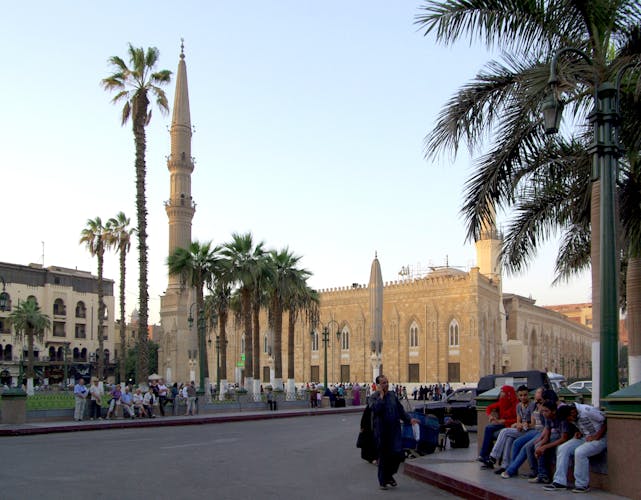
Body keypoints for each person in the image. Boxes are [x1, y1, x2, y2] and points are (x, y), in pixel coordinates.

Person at [369, 375, 419, 490]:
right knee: (384, 457)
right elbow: (376, 409)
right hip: (382, 432)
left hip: (394, 431)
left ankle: (389, 476)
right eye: (383, 383)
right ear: (378, 385)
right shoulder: (373, 398)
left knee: (398, 455)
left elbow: (400, 410)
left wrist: (409, 419)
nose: (386, 385)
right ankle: (383, 481)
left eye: (387, 382)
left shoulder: (392, 395)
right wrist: (381, 396)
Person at [544, 403, 607, 493]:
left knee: (580, 452)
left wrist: (597, 436)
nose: (569, 421)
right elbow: (580, 425)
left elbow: (605, 421)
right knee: (562, 448)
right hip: (585, 437)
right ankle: (559, 482)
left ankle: (582, 485)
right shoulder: (571, 415)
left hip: (600, 438)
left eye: (569, 419)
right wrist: (578, 432)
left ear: (572, 412)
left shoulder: (587, 410)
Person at [487, 385, 535, 474]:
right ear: (518, 396)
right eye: (521, 395)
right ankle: (505, 465)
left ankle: (494, 456)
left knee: (504, 431)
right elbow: (518, 421)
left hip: (529, 431)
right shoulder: (518, 406)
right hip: (521, 430)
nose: (523, 397)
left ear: (528, 395)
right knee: (509, 438)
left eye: (525, 395)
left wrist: (523, 425)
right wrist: (518, 424)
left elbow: (533, 424)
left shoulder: (532, 405)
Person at [478, 385, 518, 468]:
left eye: (503, 392)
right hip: (502, 424)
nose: (501, 393)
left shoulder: (516, 405)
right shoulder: (502, 402)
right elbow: (489, 407)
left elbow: (517, 419)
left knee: (489, 429)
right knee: (489, 430)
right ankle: (486, 457)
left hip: (509, 425)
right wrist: (490, 416)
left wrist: (504, 421)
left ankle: (485, 456)